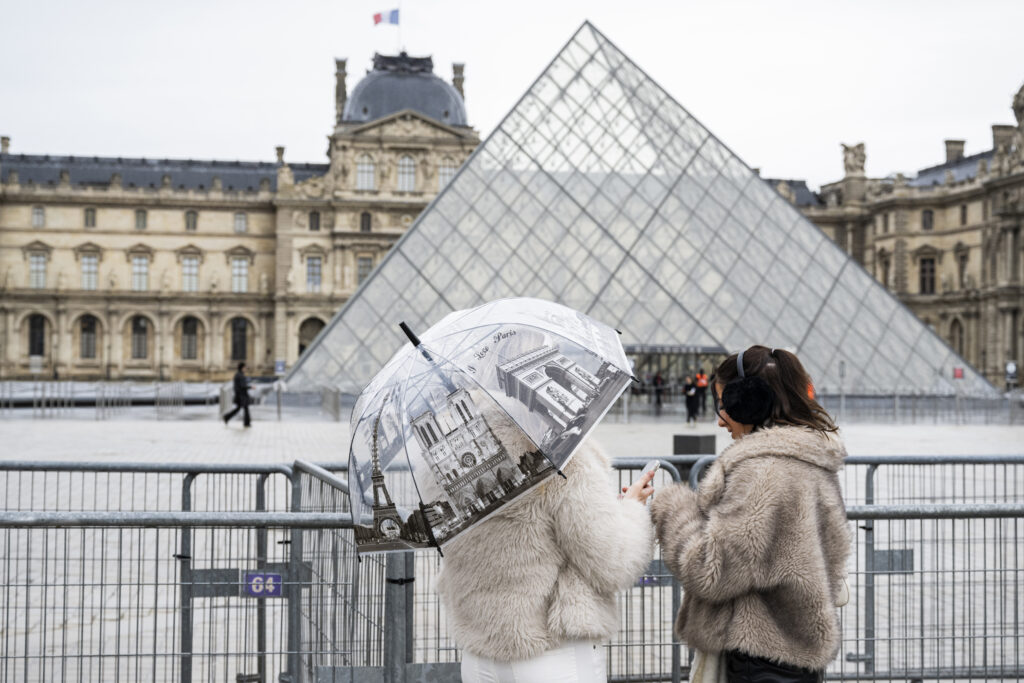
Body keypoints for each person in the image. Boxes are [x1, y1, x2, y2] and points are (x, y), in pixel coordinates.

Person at [650, 346, 849, 683]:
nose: (720, 419)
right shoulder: (808, 460)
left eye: (723, 404)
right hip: (793, 657)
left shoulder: (763, 472)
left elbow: (711, 572)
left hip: (757, 661)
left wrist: (671, 506)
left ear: (749, 401)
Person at [435, 406, 656, 683]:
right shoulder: (560, 455)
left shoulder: (447, 457)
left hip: (480, 656)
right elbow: (614, 561)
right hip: (552, 653)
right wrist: (633, 509)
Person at [223, 361, 252, 427]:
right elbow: (242, 386)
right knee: (244, 408)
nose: (246, 369)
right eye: (245, 367)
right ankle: (246, 423)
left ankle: (227, 417)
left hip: (239, 395)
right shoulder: (240, 375)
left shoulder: (238, 374)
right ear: (242, 368)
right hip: (241, 396)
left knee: (241, 408)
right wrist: (250, 387)